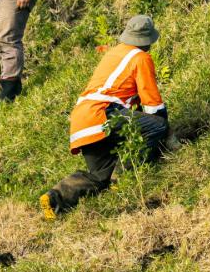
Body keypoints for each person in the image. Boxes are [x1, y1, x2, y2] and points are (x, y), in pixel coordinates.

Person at [40, 16, 173, 219]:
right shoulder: (141, 57)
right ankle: (123, 179)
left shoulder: (115, 53)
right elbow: (153, 105)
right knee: (157, 126)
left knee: (100, 175)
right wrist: (165, 129)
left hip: (81, 120)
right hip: (102, 113)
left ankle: (55, 198)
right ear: (148, 40)